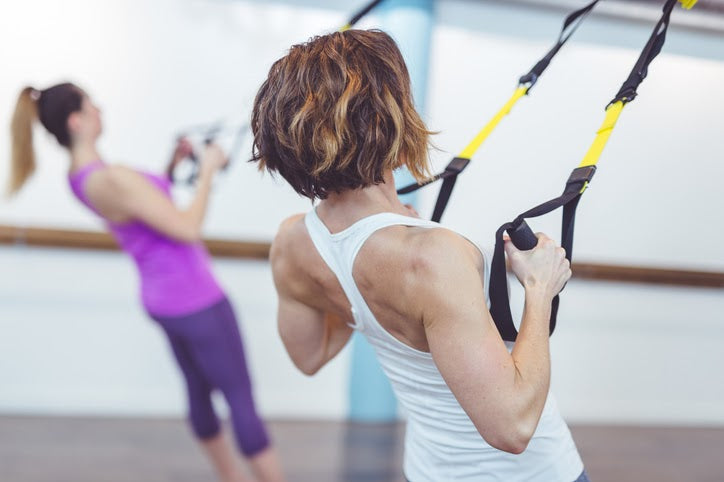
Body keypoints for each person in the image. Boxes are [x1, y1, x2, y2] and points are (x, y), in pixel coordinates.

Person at [251, 30, 588, 482]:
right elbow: (513, 426)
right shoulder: (432, 258)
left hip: (428, 471)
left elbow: (308, 355)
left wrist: (359, 286)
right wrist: (539, 289)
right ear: (385, 119)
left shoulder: (294, 242)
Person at [8, 83, 285, 482]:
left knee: (198, 393)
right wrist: (207, 170)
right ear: (77, 120)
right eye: (93, 105)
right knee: (240, 400)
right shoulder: (112, 178)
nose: (101, 110)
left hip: (164, 302)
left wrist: (171, 168)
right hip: (198, 299)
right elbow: (187, 229)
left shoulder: (81, 177)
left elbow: (141, 208)